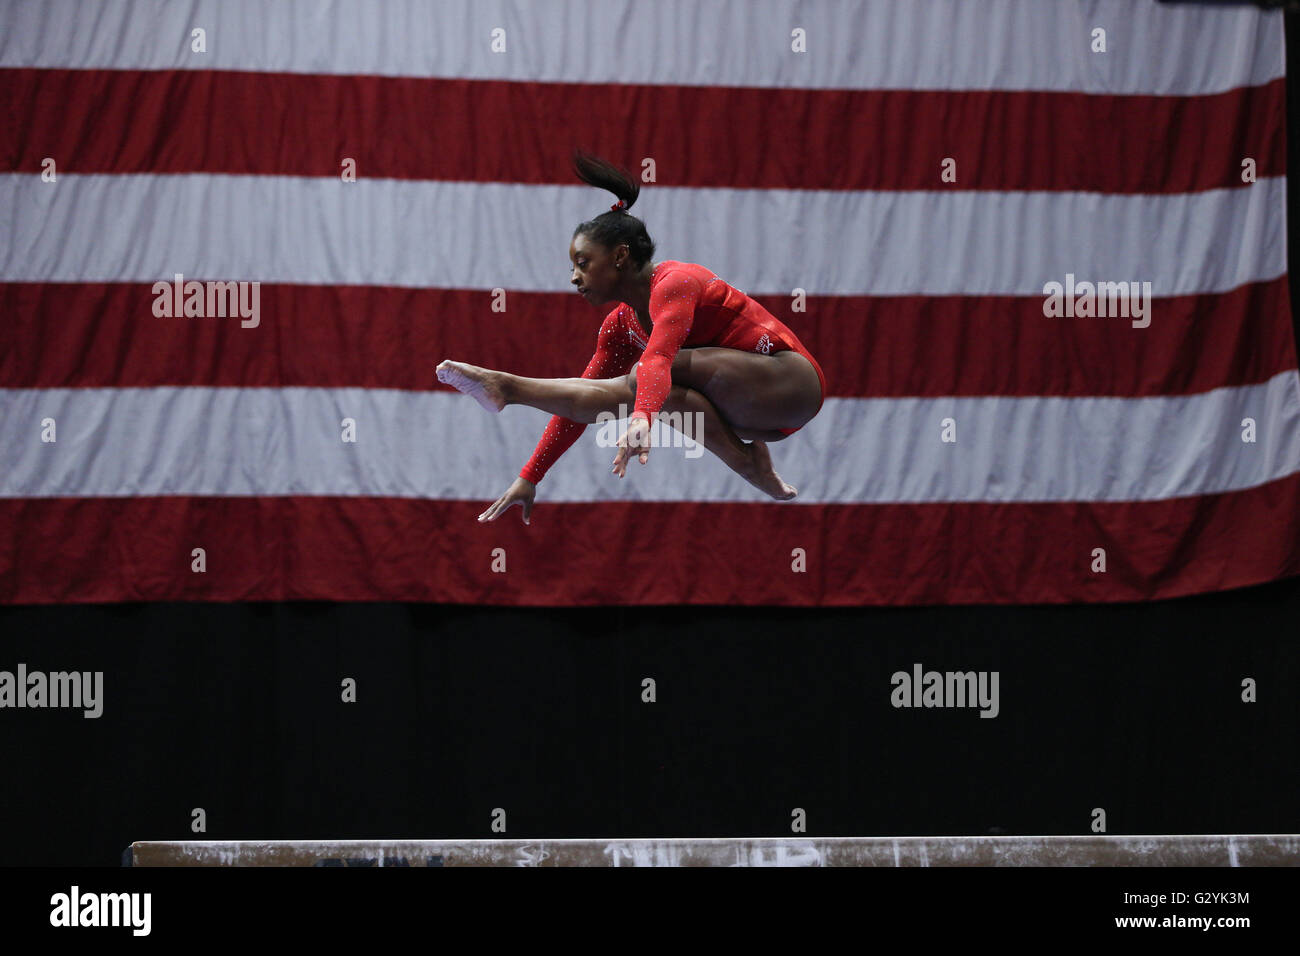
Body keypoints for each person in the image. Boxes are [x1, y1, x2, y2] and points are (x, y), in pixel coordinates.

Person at [437, 150, 827, 525]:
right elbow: (582, 399)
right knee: (652, 394)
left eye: (583, 263)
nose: (574, 277)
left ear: (620, 257)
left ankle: (509, 386)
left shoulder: (676, 283)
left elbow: (658, 359)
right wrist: (530, 474)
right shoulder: (620, 326)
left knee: (649, 379)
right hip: (757, 421)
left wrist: (642, 416)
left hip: (791, 383)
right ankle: (507, 390)